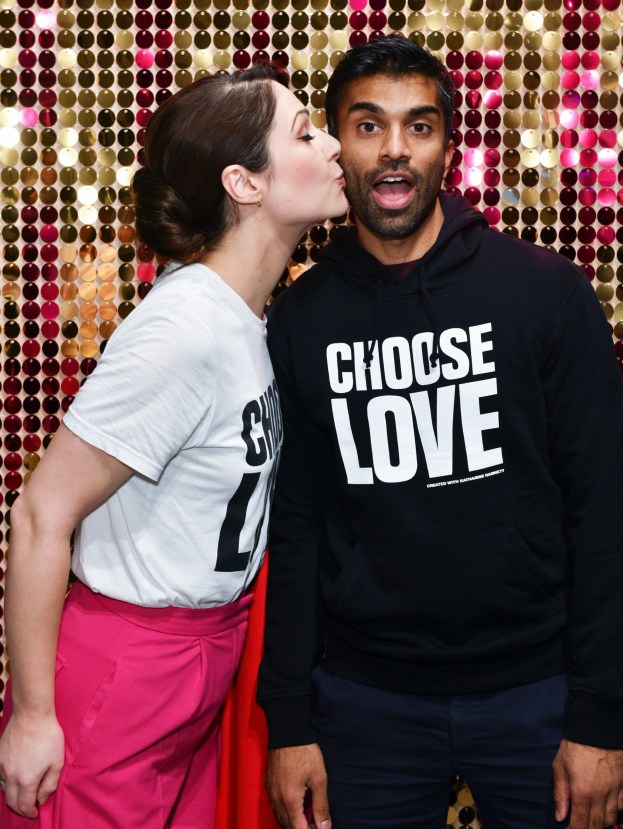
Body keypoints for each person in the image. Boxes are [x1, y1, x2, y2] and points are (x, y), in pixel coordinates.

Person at [257, 35, 623, 829]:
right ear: (337, 146)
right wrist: (288, 721)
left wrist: (599, 713)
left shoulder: (545, 295)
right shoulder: (301, 318)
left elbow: (600, 512)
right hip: (365, 703)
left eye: (418, 126)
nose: (395, 150)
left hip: (538, 693)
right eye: (369, 125)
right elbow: (294, 526)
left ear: (448, 147)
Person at [0, 62, 347, 829]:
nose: (331, 146)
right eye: (304, 132)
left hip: (199, 669)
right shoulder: (182, 327)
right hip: (127, 668)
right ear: (244, 183)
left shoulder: (241, 318)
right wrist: (31, 713)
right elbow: (39, 515)